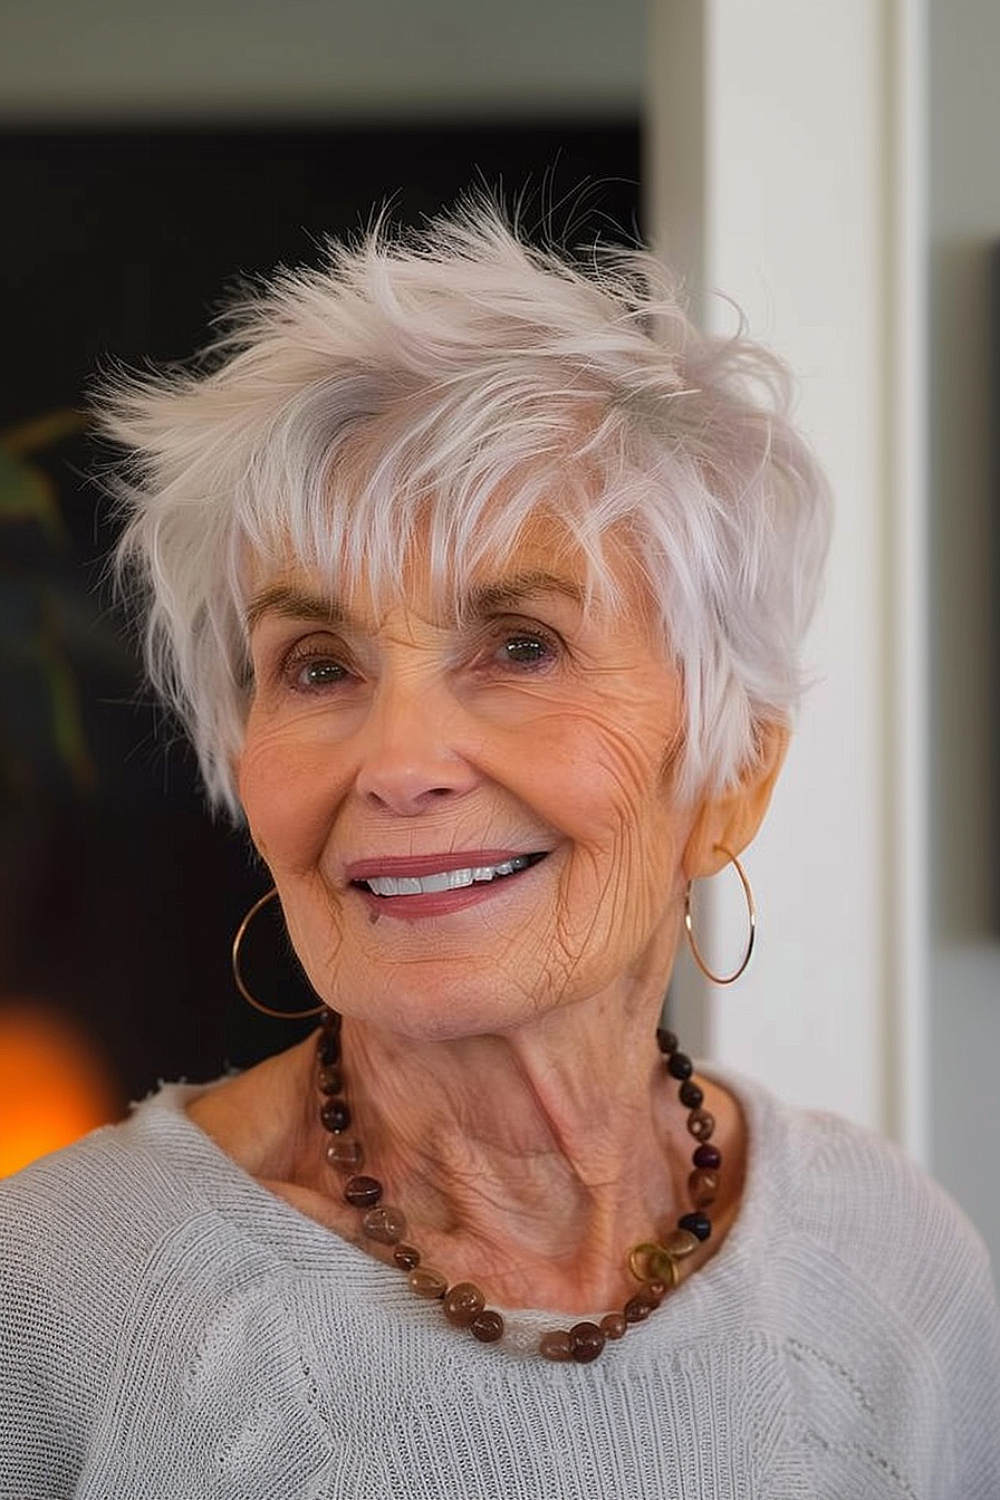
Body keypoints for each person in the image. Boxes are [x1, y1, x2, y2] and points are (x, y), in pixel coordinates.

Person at [1, 199, 998, 1499]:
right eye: (317, 665)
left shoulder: (889, 1263)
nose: (399, 762)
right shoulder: (60, 1298)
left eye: (521, 645)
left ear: (729, 775)